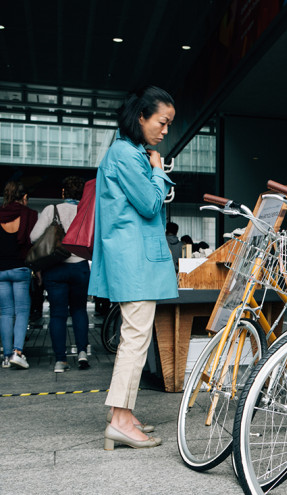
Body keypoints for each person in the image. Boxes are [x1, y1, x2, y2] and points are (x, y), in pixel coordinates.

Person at [89, 86, 178, 450]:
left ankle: (120, 415)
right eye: (162, 122)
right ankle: (122, 420)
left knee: (134, 337)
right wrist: (158, 171)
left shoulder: (124, 152)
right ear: (140, 117)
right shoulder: (126, 155)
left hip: (132, 259)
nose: (165, 130)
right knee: (135, 339)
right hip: (135, 261)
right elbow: (149, 202)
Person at [30, 176, 91, 372]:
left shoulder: (51, 210)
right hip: (80, 267)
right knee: (79, 310)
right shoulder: (87, 211)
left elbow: (33, 237)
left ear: (63, 192)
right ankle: (82, 353)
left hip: (55, 269)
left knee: (57, 315)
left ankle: (60, 361)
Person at [0, 180, 37, 369]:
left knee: (5, 313)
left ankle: (6, 356)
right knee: (22, 311)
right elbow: (35, 239)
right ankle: (17, 352)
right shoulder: (29, 215)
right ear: (23, 197)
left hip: (1, 270)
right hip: (20, 268)